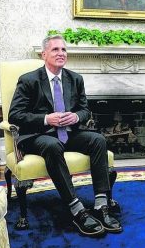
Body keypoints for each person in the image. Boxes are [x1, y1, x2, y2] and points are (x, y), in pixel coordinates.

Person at [9, 34, 122, 237]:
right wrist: (46, 119)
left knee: (98, 140)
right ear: (44, 54)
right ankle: (76, 208)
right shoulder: (28, 80)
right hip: (38, 135)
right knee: (53, 145)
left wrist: (76, 117)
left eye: (64, 50)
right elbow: (14, 115)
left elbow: (85, 111)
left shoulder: (75, 79)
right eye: (55, 50)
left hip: (69, 133)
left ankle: (101, 204)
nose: (61, 53)